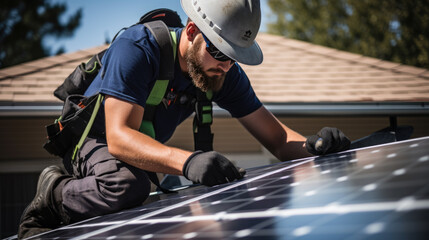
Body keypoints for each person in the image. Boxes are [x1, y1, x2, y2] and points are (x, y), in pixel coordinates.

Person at [18, 0, 350, 238]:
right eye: (219, 52)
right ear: (191, 31)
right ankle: (54, 193)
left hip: (136, 147)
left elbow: (277, 140)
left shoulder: (221, 73)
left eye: (235, 58)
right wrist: (188, 161)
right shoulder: (138, 49)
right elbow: (118, 138)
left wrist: (316, 147)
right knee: (127, 185)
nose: (225, 66)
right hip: (96, 138)